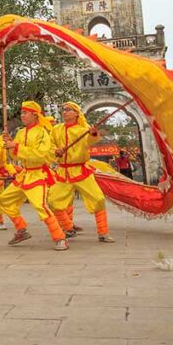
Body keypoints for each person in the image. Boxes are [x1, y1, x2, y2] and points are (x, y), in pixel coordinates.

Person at [0, 102, 69, 251]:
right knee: (4, 200)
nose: (22, 115)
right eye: (21, 113)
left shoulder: (43, 132)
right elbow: (15, 155)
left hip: (38, 173)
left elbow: (41, 155)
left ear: (35, 114)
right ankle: (21, 230)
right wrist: (9, 144)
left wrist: (16, 146)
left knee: (40, 205)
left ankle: (60, 238)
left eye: (25, 113)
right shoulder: (20, 132)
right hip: (24, 174)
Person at [49, 102, 114, 243]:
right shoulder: (56, 129)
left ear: (76, 113)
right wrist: (55, 150)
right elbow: (50, 145)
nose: (65, 112)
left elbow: (90, 140)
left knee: (98, 199)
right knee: (53, 201)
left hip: (81, 170)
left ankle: (103, 232)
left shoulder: (83, 129)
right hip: (63, 172)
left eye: (68, 110)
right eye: (63, 110)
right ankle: (68, 228)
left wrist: (93, 133)